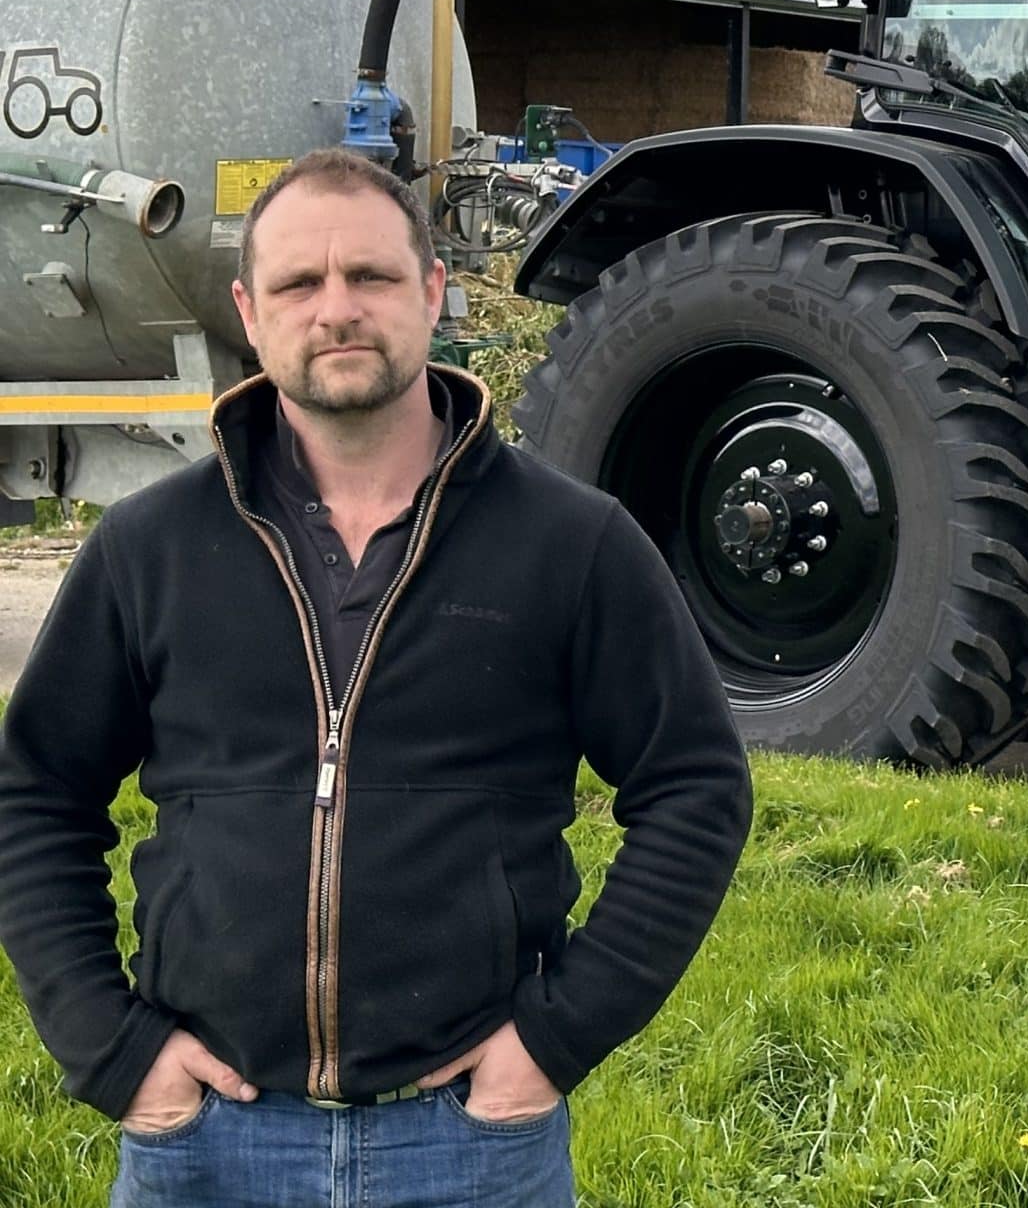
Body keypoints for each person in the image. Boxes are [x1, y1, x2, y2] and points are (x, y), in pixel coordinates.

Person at [0, 147, 753, 1205]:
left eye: (372, 277)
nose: (336, 309)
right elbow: (35, 794)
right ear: (249, 314)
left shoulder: (571, 545)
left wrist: (553, 1038)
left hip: (470, 1145)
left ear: (433, 294)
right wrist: (113, 1050)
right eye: (300, 284)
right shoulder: (147, 549)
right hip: (207, 1144)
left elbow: (696, 789)